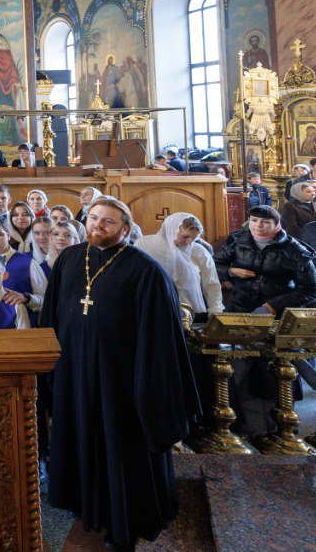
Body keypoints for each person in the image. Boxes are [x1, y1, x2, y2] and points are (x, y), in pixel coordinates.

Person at [41, 196, 199, 550]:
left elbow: (160, 341)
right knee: (82, 438)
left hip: (121, 382)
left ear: (125, 229)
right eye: (93, 218)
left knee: (119, 447)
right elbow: (51, 316)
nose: (97, 225)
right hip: (75, 374)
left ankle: (122, 516)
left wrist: (147, 386)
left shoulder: (145, 271)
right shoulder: (69, 259)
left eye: (107, 221)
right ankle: (88, 506)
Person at [215, 205, 316, 317]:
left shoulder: (295, 249)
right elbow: (213, 264)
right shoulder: (238, 240)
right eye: (254, 220)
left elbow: (310, 290)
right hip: (238, 306)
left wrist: (272, 306)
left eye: (266, 222)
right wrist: (231, 271)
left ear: (277, 223)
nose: (258, 225)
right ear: (249, 221)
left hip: (276, 311)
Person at [135, 213, 222, 318]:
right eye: (185, 237)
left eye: (194, 238)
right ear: (172, 230)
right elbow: (134, 277)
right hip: (152, 308)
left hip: (189, 312)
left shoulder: (198, 251)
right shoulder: (144, 245)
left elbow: (211, 283)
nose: (188, 242)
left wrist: (216, 310)